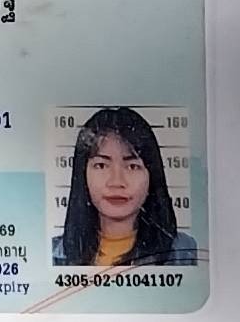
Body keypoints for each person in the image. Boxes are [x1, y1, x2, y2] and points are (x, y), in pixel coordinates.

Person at [52, 106, 198, 267]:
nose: (116, 182)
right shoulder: (54, 254)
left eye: (132, 166)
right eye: (101, 165)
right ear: (82, 174)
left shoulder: (184, 252)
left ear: (152, 176)